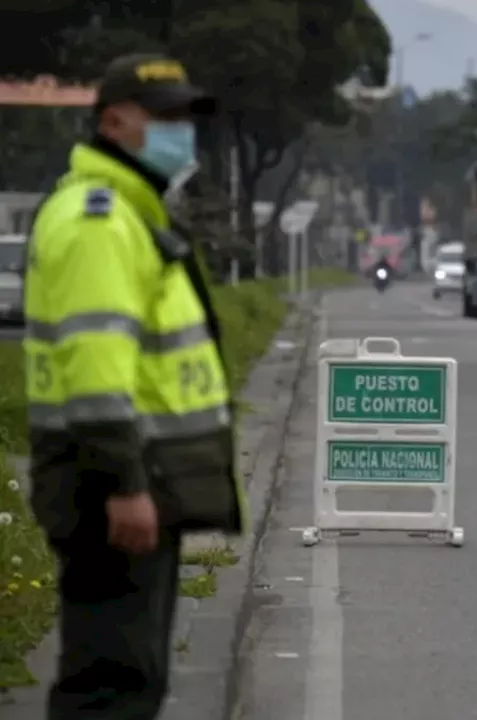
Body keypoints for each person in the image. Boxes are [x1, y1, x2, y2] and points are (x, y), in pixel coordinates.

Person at [23, 53, 246, 718]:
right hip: (111, 485)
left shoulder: (131, 213)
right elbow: (96, 375)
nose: (183, 132)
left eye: (187, 117)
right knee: (111, 684)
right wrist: (125, 485)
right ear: (113, 122)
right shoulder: (100, 222)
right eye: (166, 117)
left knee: (132, 677)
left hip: (135, 480)